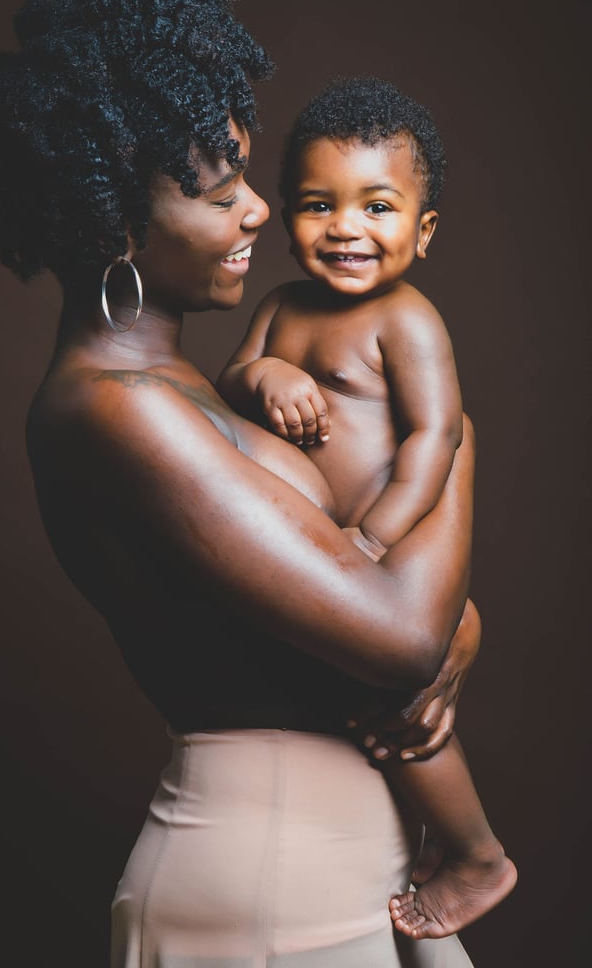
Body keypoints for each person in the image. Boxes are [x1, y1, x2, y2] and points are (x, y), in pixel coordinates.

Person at [0, 0, 483, 967]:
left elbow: (387, 619)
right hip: (274, 882)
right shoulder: (123, 412)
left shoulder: (179, 387)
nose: (260, 215)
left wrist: (451, 629)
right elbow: (403, 635)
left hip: (334, 871)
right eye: (221, 192)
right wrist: (456, 436)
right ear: (116, 229)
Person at [217, 74, 517, 939]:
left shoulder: (408, 321)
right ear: (284, 213)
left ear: (421, 231)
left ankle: (473, 854)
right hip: (328, 560)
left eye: (376, 207)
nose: (345, 227)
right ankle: (419, 845)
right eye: (318, 204)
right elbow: (237, 375)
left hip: (388, 561)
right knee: (347, 710)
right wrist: (266, 373)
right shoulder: (278, 307)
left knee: (402, 717)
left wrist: (375, 540)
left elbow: (435, 439)